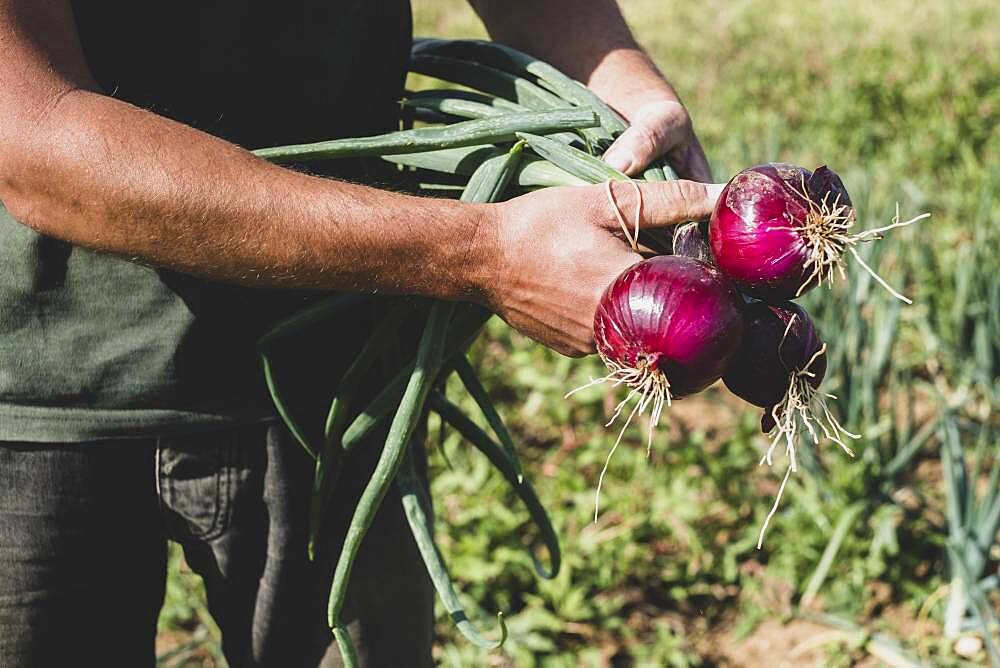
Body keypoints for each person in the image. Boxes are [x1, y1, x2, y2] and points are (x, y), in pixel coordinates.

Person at [0, 1, 720, 665]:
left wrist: (621, 90)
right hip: (37, 378)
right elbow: (32, 133)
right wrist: (481, 250)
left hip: (343, 364)